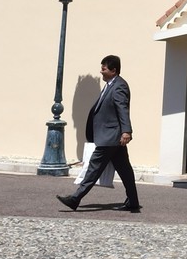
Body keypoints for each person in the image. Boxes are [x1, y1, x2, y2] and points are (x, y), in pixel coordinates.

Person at [57, 56, 141, 213]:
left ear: (113, 70)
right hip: (112, 137)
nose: (101, 71)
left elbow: (122, 109)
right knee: (125, 171)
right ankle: (133, 202)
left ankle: (75, 198)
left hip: (110, 137)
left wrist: (126, 131)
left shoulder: (119, 86)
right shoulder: (111, 85)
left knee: (93, 169)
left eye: (104, 68)